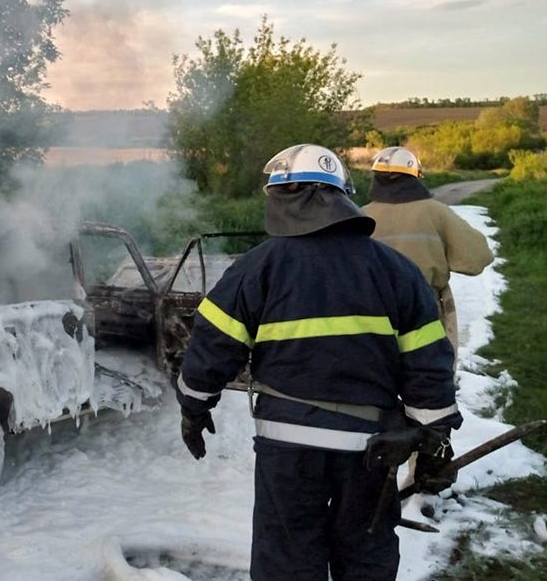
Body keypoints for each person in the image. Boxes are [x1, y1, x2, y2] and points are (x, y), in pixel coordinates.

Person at [175, 144, 462, 581]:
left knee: (288, 561)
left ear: (280, 199)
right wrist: (434, 439)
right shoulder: (395, 270)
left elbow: (211, 349)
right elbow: (429, 362)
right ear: (343, 198)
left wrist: (194, 408)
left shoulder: (256, 269)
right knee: (365, 559)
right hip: (372, 450)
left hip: (287, 450)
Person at [362, 146, 494, 369]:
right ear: (416, 177)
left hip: (368, 312)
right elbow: (478, 257)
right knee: (427, 377)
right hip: (423, 309)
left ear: (376, 177)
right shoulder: (436, 211)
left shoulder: (360, 214)